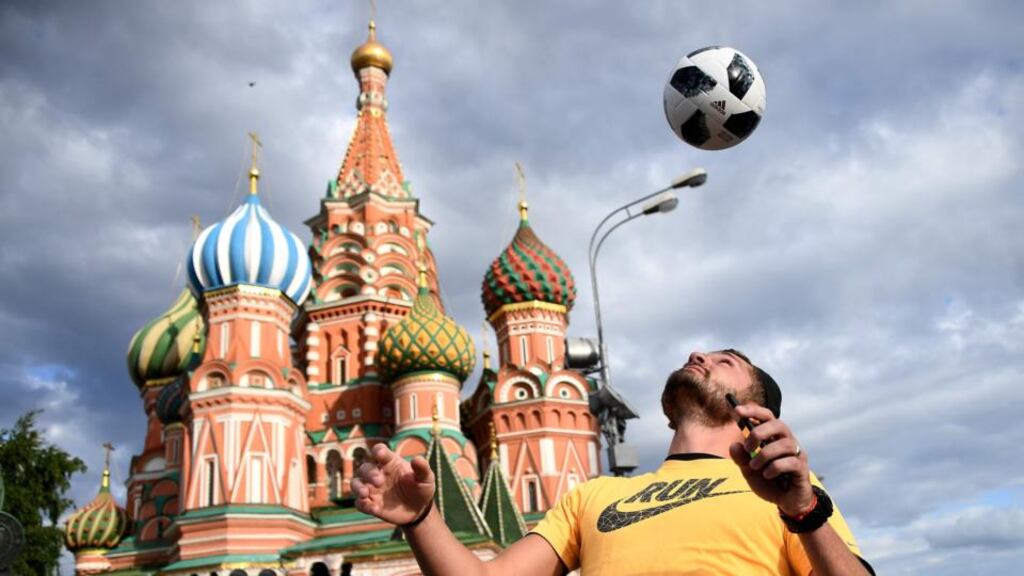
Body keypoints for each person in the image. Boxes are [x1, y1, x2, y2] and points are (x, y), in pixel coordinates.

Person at [352, 350, 874, 575]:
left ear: (757, 409)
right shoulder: (596, 496)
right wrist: (421, 519)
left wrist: (804, 509)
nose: (699, 355)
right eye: (700, 353)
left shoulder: (790, 497)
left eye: (725, 361)